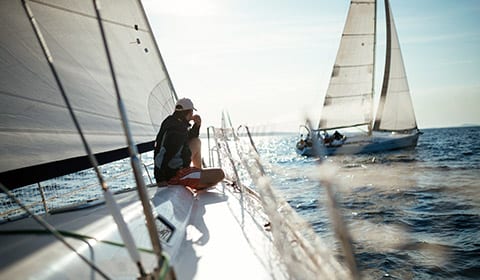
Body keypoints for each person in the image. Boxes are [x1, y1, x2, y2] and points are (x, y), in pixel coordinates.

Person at [153, 98, 224, 189]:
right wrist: (160, 179)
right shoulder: (176, 130)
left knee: (196, 142)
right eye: (191, 113)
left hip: (176, 167)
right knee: (220, 174)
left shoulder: (174, 122)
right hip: (176, 174)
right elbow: (162, 155)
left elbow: (190, 137)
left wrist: (197, 125)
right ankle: (198, 181)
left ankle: (198, 173)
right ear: (189, 113)